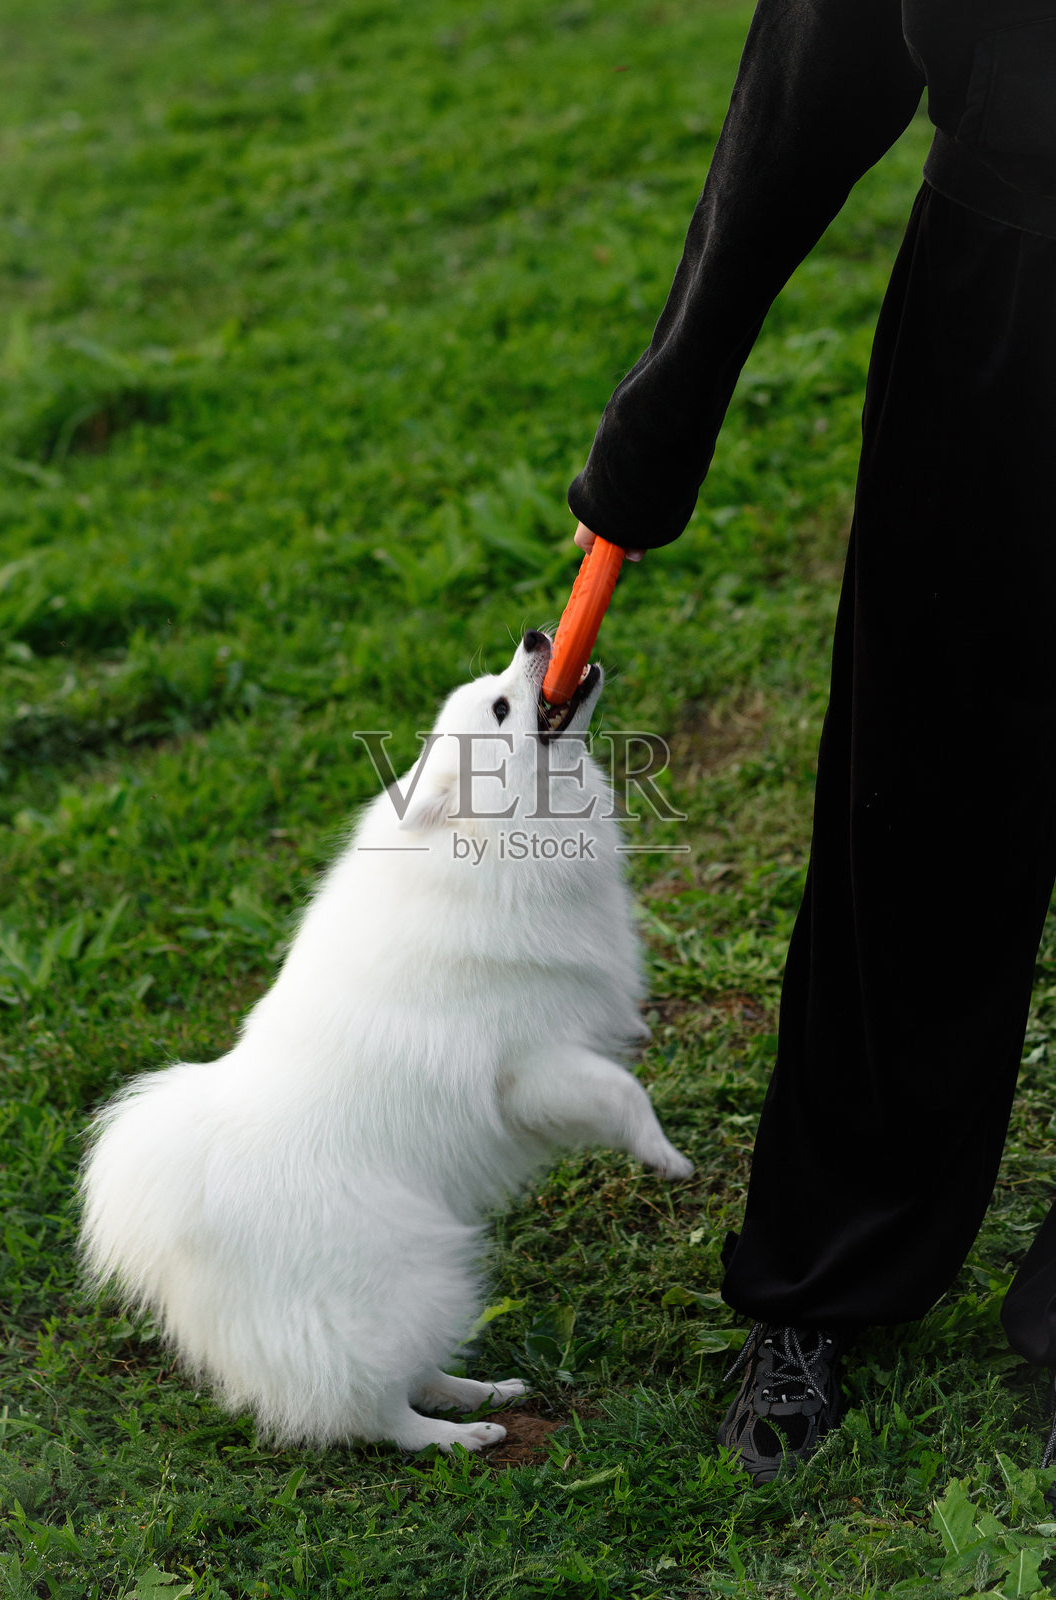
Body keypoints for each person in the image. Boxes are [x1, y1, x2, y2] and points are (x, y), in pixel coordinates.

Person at [567, 0, 1056, 1484]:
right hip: (1002, 298)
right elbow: (813, 68)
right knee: (917, 810)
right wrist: (671, 402)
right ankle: (828, 1274)